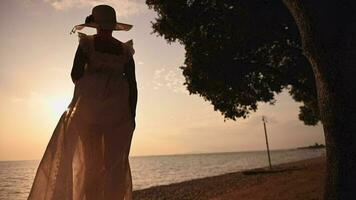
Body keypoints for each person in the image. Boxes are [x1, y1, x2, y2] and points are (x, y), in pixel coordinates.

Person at [27, 5, 137, 200]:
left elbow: (75, 74)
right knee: (114, 166)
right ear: (112, 26)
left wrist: (93, 74)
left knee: (91, 163)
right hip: (118, 112)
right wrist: (132, 114)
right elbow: (132, 84)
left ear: (95, 25)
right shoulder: (124, 50)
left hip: (90, 110)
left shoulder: (87, 44)